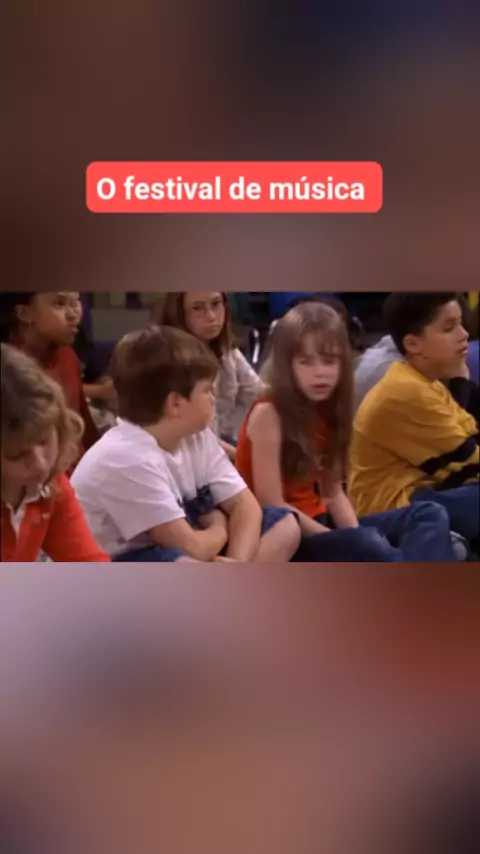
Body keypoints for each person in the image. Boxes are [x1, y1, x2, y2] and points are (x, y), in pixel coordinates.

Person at [235, 301, 460, 562]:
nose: (320, 373)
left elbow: (332, 493)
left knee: (428, 514)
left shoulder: (331, 408)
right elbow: (271, 502)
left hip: (323, 520)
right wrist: (348, 540)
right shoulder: (269, 413)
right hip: (287, 533)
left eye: (329, 361)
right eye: (306, 362)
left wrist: (355, 536)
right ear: (287, 366)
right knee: (372, 544)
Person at [71, 325, 300, 563]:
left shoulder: (195, 435)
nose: (213, 399)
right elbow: (192, 549)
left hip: (194, 545)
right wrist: (220, 526)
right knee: (184, 563)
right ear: (176, 404)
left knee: (285, 526)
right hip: (117, 565)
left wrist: (236, 562)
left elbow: (245, 505)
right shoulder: (125, 458)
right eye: (207, 390)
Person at [349, 293, 479, 553]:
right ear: (413, 343)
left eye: (461, 324)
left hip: (424, 496)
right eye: (449, 327)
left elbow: (470, 434)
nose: (464, 334)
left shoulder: (426, 383)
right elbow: (468, 462)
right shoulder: (406, 391)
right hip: (392, 511)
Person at [1, 344, 109, 562]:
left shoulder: (52, 484)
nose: (40, 463)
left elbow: (90, 566)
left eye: (44, 441)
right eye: (18, 454)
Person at [155, 292, 264, 460]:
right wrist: (245, 460)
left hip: (220, 449)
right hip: (182, 458)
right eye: (197, 308)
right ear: (179, 314)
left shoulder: (225, 351)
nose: (212, 316)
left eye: (216, 304)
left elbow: (260, 394)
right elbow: (198, 438)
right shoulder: (170, 360)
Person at [0, 292, 100, 463]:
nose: (73, 314)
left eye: (75, 302)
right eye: (59, 304)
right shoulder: (9, 370)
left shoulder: (68, 356)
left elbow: (85, 429)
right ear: (24, 313)